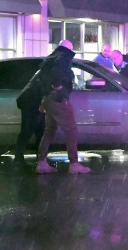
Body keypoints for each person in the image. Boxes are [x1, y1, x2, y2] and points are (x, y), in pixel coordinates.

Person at [36, 39, 91, 174]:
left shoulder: (49, 59)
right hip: (57, 99)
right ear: (69, 49)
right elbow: (57, 72)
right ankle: (74, 164)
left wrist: (42, 99)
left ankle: (41, 162)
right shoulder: (63, 57)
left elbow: (40, 80)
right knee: (71, 131)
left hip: (47, 98)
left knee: (50, 131)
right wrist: (59, 87)